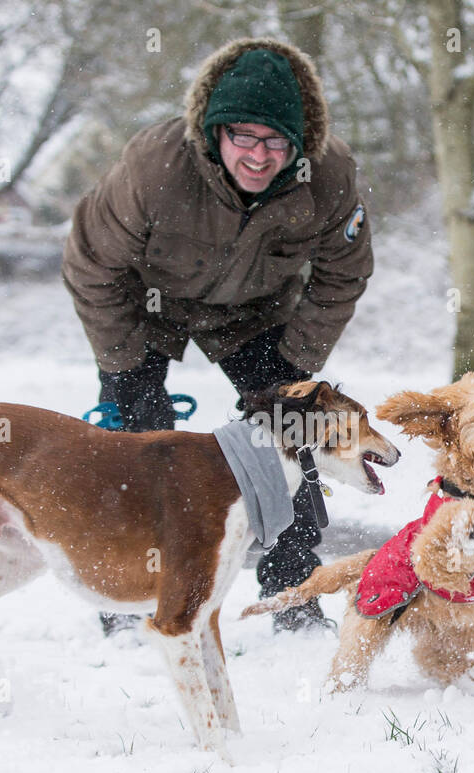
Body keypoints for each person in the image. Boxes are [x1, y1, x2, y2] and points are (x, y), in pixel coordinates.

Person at [61, 36, 374, 633]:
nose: (259, 156)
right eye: (243, 137)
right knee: (139, 442)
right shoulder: (154, 168)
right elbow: (90, 264)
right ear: (214, 132)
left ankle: (293, 591)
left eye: (277, 140)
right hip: (143, 307)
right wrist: (124, 365)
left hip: (254, 313)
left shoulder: (329, 178)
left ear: (301, 141)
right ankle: (127, 598)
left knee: (292, 430)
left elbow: (345, 273)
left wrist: (294, 364)